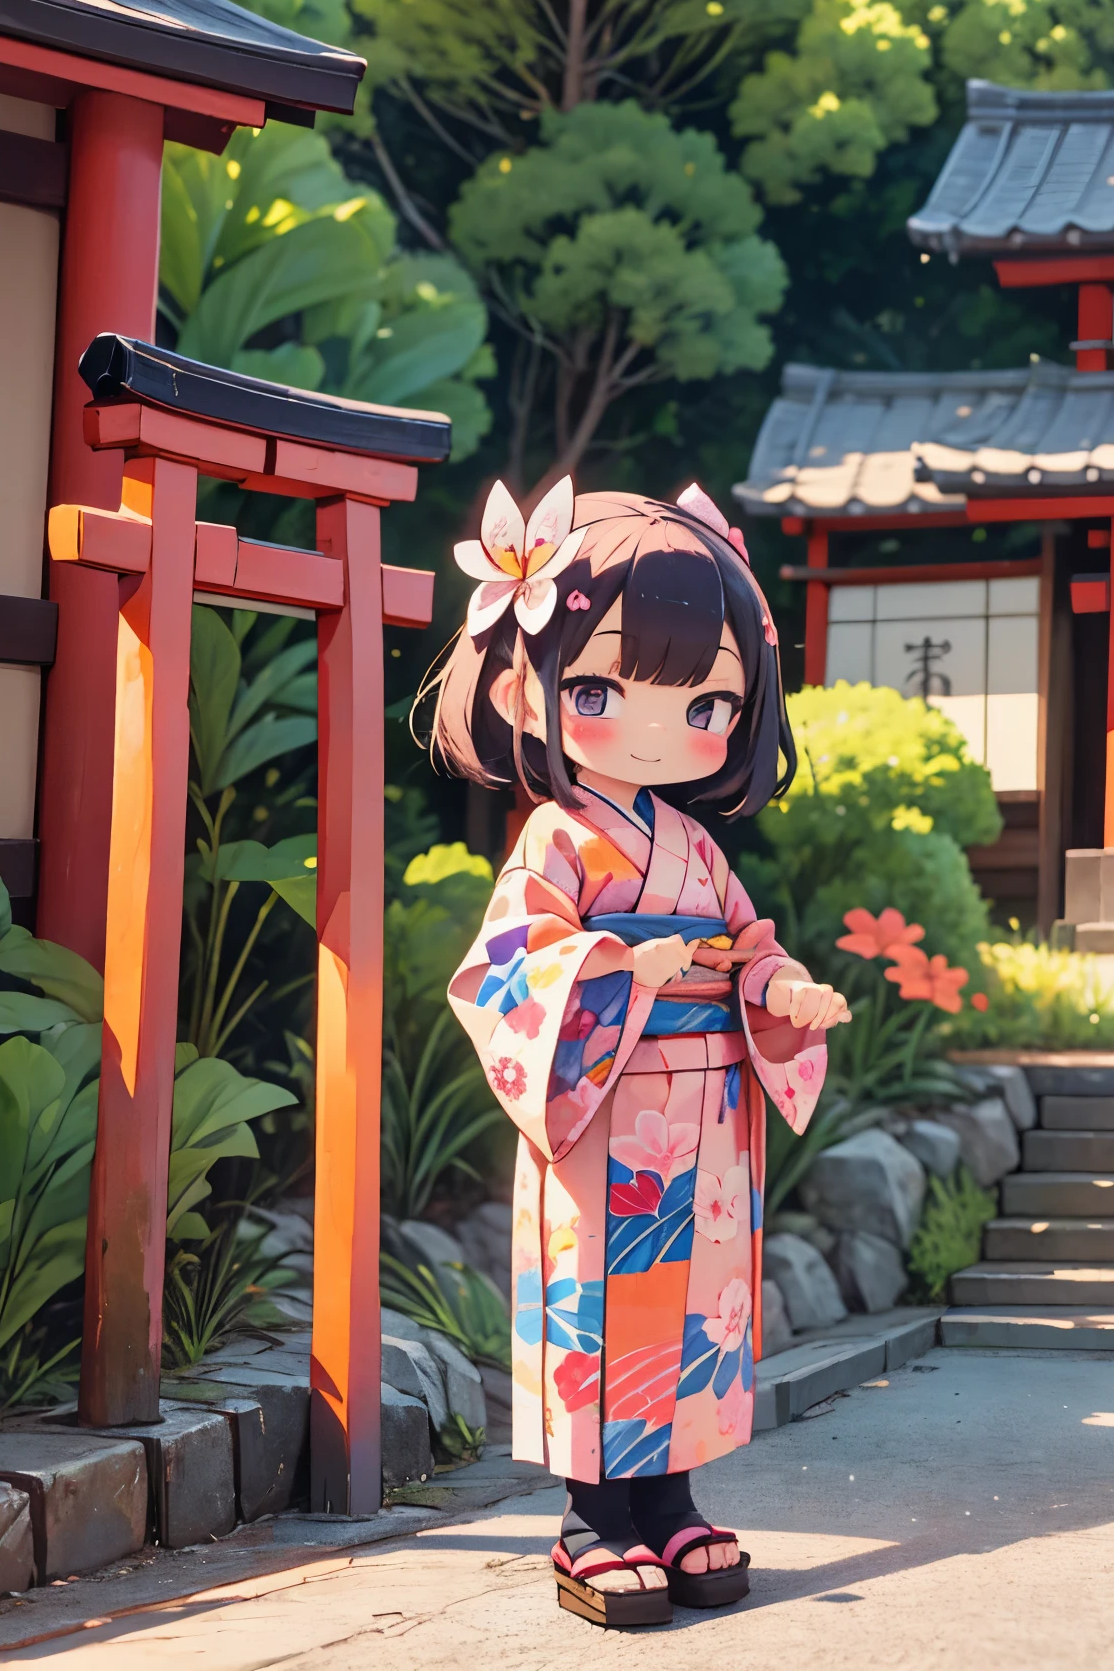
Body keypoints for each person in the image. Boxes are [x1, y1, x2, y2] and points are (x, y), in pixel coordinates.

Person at [421, 478, 850, 1628]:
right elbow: (504, 966)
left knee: (699, 1309)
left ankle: (673, 1497)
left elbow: (746, 945)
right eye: (605, 686)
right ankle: (591, 1519)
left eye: (705, 700)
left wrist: (781, 987)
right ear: (525, 684)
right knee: (602, 1307)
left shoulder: (698, 848)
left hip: (706, 1113)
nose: (667, 725)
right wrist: (615, 966)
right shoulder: (556, 836)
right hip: (604, 1107)